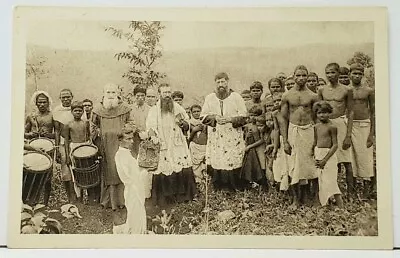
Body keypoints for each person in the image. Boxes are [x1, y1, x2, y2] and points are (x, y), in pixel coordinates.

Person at [145, 83, 197, 206]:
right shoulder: (154, 110)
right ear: (160, 94)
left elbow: (187, 123)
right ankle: (165, 199)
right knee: (164, 167)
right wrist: (153, 136)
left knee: (180, 165)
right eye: (164, 93)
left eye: (169, 92)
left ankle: (183, 196)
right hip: (162, 142)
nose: (167, 95)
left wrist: (184, 124)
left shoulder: (177, 107)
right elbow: (150, 126)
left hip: (177, 143)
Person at [201, 72, 248, 191]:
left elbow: (244, 117)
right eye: (218, 82)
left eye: (223, 81)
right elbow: (203, 116)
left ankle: (234, 187)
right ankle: (219, 186)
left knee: (233, 158)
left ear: (227, 82)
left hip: (232, 135)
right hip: (216, 135)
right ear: (215, 83)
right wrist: (215, 118)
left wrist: (230, 119)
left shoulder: (236, 97)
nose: (221, 84)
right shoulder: (210, 98)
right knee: (218, 159)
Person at [281, 65, 319, 209]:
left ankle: (313, 197)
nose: (301, 78)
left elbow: (317, 119)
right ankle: (295, 199)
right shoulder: (287, 95)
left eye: (304, 76)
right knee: (294, 165)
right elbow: (283, 118)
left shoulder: (313, 96)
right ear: (294, 76)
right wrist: (285, 140)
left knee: (311, 164)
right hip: (293, 130)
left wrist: (317, 139)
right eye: (298, 75)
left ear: (307, 77)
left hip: (308, 130)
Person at [92, 83, 132, 211]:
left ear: (118, 94)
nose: (110, 95)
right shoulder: (98, 110)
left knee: (121, 169)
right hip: (105, 145)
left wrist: (125, 132)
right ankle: (108, 201)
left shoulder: (124, 108)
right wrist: (97, 133)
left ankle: (122, 201)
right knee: (108, 170)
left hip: (121, 144)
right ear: (103, 94)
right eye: (108, 92)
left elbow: (131, 123)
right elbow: (92, 126)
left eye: (113, 92)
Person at [318, 62, 355, 198]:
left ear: (338, 73)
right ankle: (333, 191)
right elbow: (318, 110)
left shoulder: (346, 90)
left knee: (346, 160)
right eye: (327, 73)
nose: (330, 75)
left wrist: (348, 135)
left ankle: (351, 193)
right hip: (326, 124)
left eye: (333, 72)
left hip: (341, 124)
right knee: (331, 159)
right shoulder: (322, 90)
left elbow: (351, 112)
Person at [24, 91, 56, 206]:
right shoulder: (31, 116)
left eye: (44, 102)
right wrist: (31, 134)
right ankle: (31, 201)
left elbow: (57, 134)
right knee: (33, 174)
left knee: (47, 177)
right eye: (39, 102)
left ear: (48, 103)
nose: (42, 104)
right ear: (36, 103)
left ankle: (45, 204)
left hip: (48, 149)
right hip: (33, 149)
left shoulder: (53, 115)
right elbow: (24, 133)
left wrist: (48, 135)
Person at [53, 89, 85, 203]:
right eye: (63, 97)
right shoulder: (57, 111)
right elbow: (57, 131)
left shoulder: (77, 109)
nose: (66, 99)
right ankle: (71, 197)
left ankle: (79, 196)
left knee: (79, 168)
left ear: (72, 97)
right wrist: (57, 149)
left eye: (68, 97)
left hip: (77, 144)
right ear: (60, 98)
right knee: (66, 171)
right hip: (63, 144)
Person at [114, 125, 147, 234]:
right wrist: (143, 172)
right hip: (132, 188)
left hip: (136, 186)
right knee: (135, 211)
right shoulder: (121, 155)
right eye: (128, 139)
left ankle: (138, 230)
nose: (132, 141)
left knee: (137, 211)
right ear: (120, 140)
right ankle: (136, 232)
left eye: (132, 138)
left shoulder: (126, 153)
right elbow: (127, 176)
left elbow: (135, 169)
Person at [349, 63, 375, 199]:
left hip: (365, 124)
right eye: (354, 73)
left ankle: (367, 190)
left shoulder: (368, 91)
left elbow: (373, 112)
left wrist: (371, 133)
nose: (356, 76)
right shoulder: (347, 90)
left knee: (365, 157)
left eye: (359, 73)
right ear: (350, 74)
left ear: (362, 75)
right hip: (350, 125)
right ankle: (352, 190)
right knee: (352, 156)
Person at [312, 101, 343, 208]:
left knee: (331, 181)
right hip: (318, 154)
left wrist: (325, 159)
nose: (322, 115)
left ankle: (341, 207)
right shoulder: (316, 126)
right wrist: (314, 155)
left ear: (329, 113)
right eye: (320, 113)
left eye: (325, 112)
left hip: (328, 156)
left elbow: (335, 145)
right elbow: (315, 141)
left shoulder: (332, 127)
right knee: (322, 181)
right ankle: (326, 204)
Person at [64, 101, 93, 203]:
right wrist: (67, 156)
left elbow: (89, 136)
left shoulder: (85, 123)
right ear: (71, 112)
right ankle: (78, 195)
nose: (78, 112)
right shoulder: (68, 125)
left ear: (83, 112)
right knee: (76, 171)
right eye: (75, 111)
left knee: (86, 170)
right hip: (74, 148)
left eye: (80, 111)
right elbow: (66, 141)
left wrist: (89, 146)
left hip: (84, 147)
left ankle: (87, 195)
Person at [129, 85, 152, 198]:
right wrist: (137, 131)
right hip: (134, 139)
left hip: (147, 139)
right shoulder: (130, 109)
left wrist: (147, 133)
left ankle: (146, 192)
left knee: (146, 164)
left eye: (143, 96)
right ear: (134, 96)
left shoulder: (149, 109)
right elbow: (130, 123)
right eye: (138, 96)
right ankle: (136, 191)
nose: (140, 98)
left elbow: (152, 124)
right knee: (135, 163)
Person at [240, 107, 268, 188]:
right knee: (253, 164)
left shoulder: (260, 125)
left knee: (262, 164)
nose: (253, 117)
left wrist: (250, 146)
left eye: (255, 115)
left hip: (259, 147)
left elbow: (262, 140)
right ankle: (254, 182)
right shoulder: (248, 126)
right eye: (251, 115)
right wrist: (247, 137)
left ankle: (264, 185)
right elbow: (245, 138)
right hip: (251, 148)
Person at [271, 93, 290, 192]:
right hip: (282, 140)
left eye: (279, 100)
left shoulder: (289, 111)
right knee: (283, 164)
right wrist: (275, 147)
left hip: (292, 138)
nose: (277, 103)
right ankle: (284, 188)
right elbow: (276, 130)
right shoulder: (275, 114)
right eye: (274, 101)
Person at [188, 104, 208, 184]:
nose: (196, 113)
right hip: (194, 147)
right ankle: (198, 183)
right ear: (191, 113)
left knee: (204, 166)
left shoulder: (206, 122)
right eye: (194, 112)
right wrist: (193, 131)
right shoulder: (189, 123)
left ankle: (205, 183)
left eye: (198, 111)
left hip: (204, 147)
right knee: (195, 167)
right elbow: (188, 138)